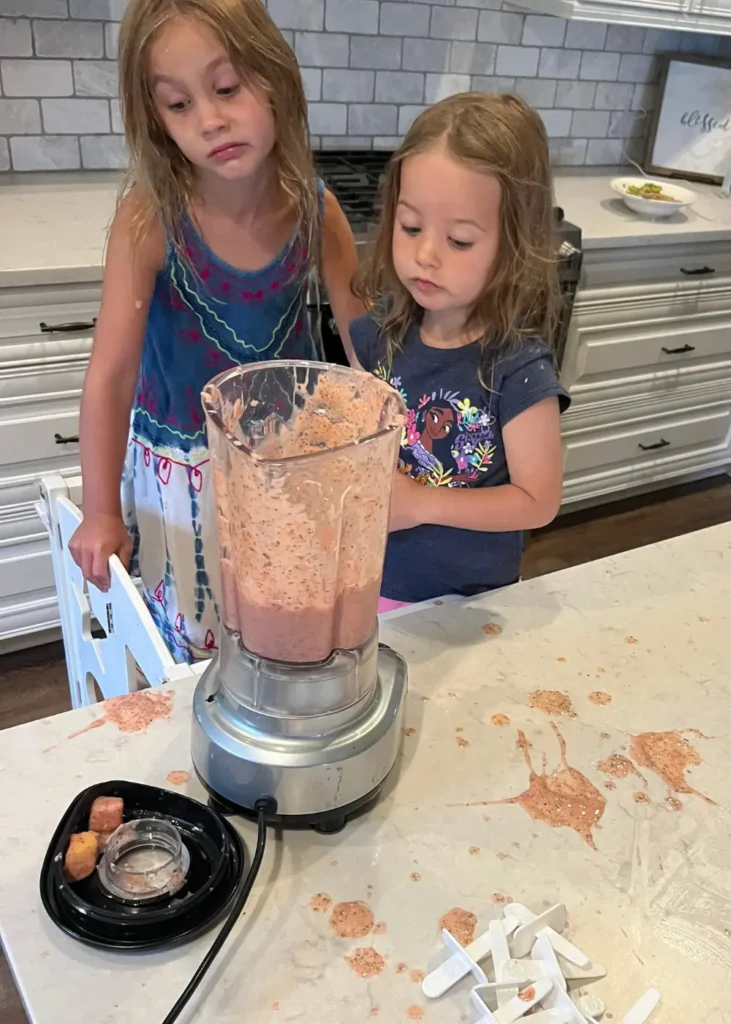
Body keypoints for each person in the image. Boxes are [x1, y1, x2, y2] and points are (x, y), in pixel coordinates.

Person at [69, 0, 364, 662]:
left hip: (286, 472)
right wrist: (99, 510)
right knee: (193, 653)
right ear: (155, 121)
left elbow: (364, 352)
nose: (208, 119)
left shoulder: (316, 211)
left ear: (275, 81)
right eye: (177, 104)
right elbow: (111, 379)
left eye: (227, 87)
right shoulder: (149, 221)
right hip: (181, 482)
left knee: (282, 637)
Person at [350, 92, 570, 612]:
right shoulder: (384, 332)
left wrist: (422, 502)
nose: (426, 254)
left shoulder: (517, 369)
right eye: (411, 227)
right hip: (375, 583)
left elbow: (539, 502)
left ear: (513, 245)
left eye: (460, 241)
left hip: (470, 605)